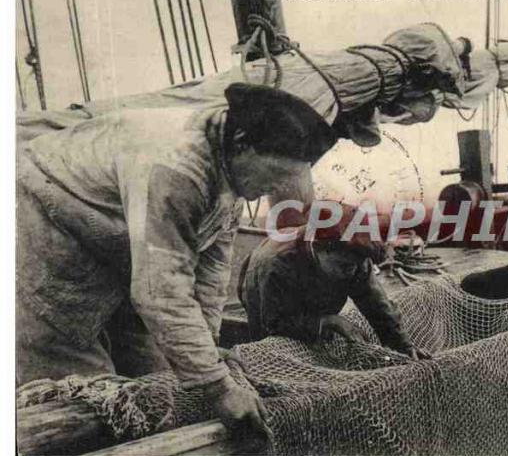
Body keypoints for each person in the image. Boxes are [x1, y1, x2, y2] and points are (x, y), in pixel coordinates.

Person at [16, 82, 337, 433]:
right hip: (46, 225)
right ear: (243, 144)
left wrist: (210, 354)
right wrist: (217, 386)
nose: (276, 189)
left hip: (120, 239)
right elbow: (160, 290)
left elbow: (211, 272)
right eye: (274, 175)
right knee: (86, 396)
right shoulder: (177, 167)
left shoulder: (233, 168)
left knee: (162, 377)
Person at [238, 207, 430, 361]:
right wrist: (327, 321)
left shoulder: (355, 261)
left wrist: (403, 346)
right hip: (264, 295)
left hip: (315, 291)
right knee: (272, 355)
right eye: (344, 266)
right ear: (319, 250)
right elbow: (274, 322)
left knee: (320, 341)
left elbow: (377, 305)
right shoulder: (275, 265)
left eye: (356, 266)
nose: (351, 272)